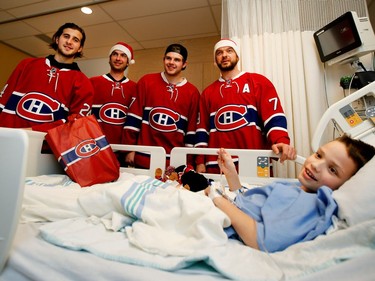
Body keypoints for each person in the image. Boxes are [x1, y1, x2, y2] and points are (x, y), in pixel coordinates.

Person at [204, 134, 375, 252]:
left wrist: (217, 198)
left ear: (347, 185)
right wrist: (232, 177)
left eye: (332, 169)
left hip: (214, 221)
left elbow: (260, 239)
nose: (316, 165)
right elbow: (251, 207)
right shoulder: (295, 188)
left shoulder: (309, 204)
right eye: (318, 155)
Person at [196, 39, 295, 173]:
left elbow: (274, 116)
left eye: (229, 51)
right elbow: (202, 130)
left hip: (258, 160)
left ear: (237, 56)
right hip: (217, 164)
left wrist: (281, 140)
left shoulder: (259, 82)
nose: (224, 55)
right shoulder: (207, 93)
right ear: (215, 61)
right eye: (219, 53)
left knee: (260, 193)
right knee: (219, 194)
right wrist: (200, 162)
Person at [0, 22, 93, 132]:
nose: (69, 42)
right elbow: (3, 100)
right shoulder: (27, 64)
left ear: (80, 48)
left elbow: (75, 124)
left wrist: (33, 132)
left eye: (75, 40)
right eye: (66, 36)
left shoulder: (84, 83)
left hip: (45, 146)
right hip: (7, 137)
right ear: (57, 39)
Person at [122, 43, 200, 169]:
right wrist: (129, 149)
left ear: (184, 64)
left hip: (173, 163)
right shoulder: (147, 81)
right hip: (143, 157)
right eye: (168, 58)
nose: (171, 62)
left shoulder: (192, 92)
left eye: (177, 60)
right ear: (163, 60)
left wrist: (188, 161)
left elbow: (191, 131)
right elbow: (133, 118)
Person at [90, 42, 137, 145]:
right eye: (115, 54)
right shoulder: (92, 82)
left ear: (128, 62)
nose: (118, 58)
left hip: (122, 148)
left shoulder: (135, 88)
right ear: (109, 58)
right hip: (95, 146)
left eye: (123, 55)